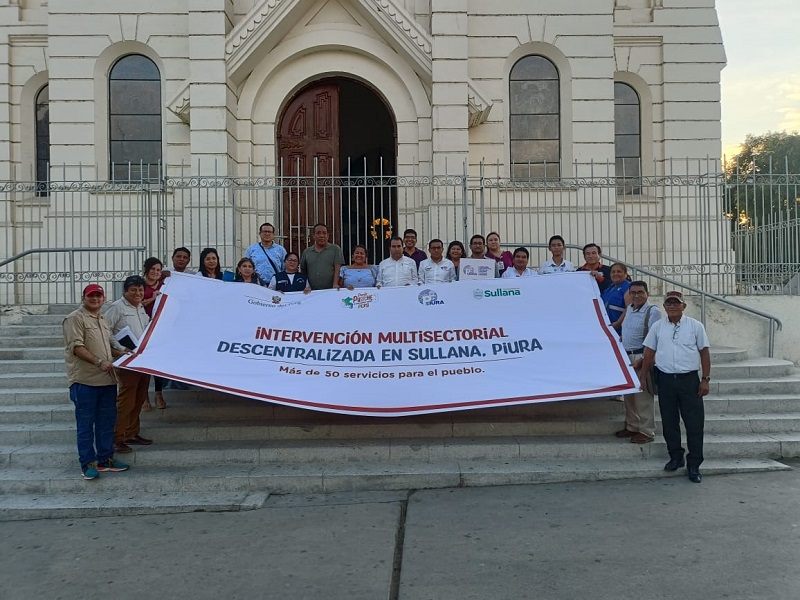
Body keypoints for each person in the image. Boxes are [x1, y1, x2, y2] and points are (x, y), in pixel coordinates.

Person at [640, 291, 711, 483]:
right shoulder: (657, 326)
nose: (672, 307)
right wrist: (643, 376)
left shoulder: (695, 326)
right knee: (670, 422)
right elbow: (649, 352)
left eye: (676, 303)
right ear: (664, 306)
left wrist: (705, 379)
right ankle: (676, 457)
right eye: (669, 303)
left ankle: (694, 464)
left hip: (689, 380)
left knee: (694, 423)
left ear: (683, 306)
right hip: (665, 380)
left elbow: (704, 352)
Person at [63, 283, 130, 480]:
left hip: (107, 381)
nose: (95, 299)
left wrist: (124, 355)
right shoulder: (75, 318)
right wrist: (98, 362)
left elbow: (109, 348)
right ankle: (87, 463)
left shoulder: (103, 319)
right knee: (86, 425)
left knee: (106, 423)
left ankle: (105, 459)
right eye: (91, 296)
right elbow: (76, 347)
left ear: (104, 298)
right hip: (85, 382)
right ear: (84, 297)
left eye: (99, 296)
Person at [104, 275, 153, 454]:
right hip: (126, 362)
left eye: (140, 290)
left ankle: (131, 433)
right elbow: (105, 329)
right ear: (126, 291)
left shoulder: (141, 308)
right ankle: (117, 438)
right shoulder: (117, 307)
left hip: (142, 361)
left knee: (139, 398)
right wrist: (119, 348)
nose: (137, 293)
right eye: (133, 290)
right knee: (126, 400)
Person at [615, 281, 662, 445]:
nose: (636, 295)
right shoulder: (629, 309)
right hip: (626, 356)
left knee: (643, 397)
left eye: (640, 292)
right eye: (633, 292)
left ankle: (647, 431)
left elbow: (654, 338)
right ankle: (632, 426)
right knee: (629, 395)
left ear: (647, 293)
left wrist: (644, 360)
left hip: (642, 356)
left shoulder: (652, 311)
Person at [141, 257, 167, 410]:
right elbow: (137, 303)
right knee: (144, 363)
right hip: (142, 327)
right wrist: (153, 298)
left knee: (158, 362)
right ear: (147, 269)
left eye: (158, 270)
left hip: (159, 328)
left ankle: (158, 394)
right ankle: (144, 397)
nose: (156, 272)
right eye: (153, 269)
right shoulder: (139, 284)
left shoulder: (164, 283)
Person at [300, 223, 345, 290]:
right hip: (312, 292)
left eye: (324, 233)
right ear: (313, 236)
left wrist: (335, 284)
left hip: (330, 290)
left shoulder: (335, 249)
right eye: (318, 233)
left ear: (328, 236)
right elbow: (303, 271)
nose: (321, 236)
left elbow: (337, 269)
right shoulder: (307, 252)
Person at [602, 262, 632, 333]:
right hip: (607, 327)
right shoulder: (609, 288)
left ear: (625, 274)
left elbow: (629, 308)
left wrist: (618, 323)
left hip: (619, 329)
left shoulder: (629, 287)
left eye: (619, 272)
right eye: (613, 272)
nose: (616, 274)